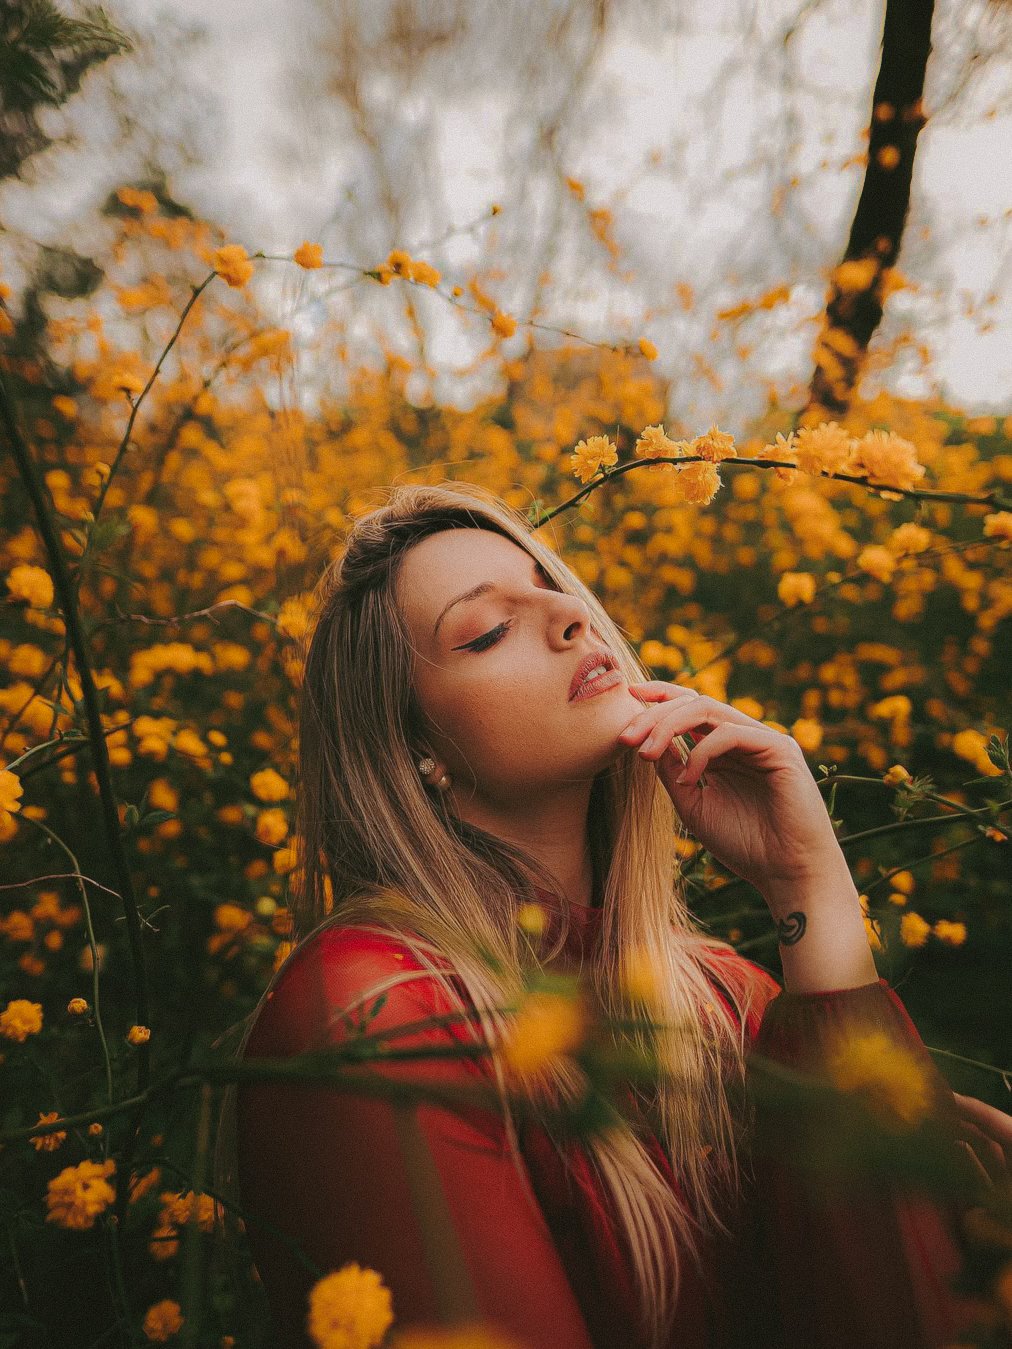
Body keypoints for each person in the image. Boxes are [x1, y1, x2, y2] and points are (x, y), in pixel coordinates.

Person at [230, 481, 1007, 1349]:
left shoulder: (727, 1002)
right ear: (414, 753)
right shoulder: (372, 1005)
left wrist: (808, 887)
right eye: (486, 629)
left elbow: (907, 1312)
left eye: (550, 585)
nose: (567, 612)